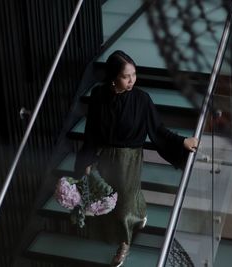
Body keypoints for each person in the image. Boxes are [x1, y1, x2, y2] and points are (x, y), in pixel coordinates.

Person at [75, 50, 198, 267]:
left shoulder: (141, 99)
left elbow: (157, 130)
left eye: (134, 74)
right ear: (113, 77)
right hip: (105, 157)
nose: (131, 80)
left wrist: (181, 142)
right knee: (111, 197)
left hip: (129, 159)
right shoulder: (99, 96)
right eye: (125, 76)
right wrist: (86, 160)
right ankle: (139, 213)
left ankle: (124, 243)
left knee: (123, 203)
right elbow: (91, 131)